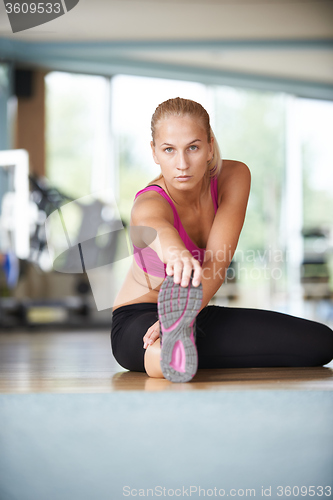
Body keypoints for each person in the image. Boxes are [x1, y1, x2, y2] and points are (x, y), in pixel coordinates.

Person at [110, 97, 333, 382]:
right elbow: (160, 234)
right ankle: (170, 353)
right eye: (169, 150)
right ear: (154, 152)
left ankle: (181, 334)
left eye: (193, 147)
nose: (182, 164)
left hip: (196, 308)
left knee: (320, 343)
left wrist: (186, 311)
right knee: (156, 346)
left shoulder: (234, 176)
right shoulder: (148, 205)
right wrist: (178, 256)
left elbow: (216, 262)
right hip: (137, 318)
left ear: (209, 146)